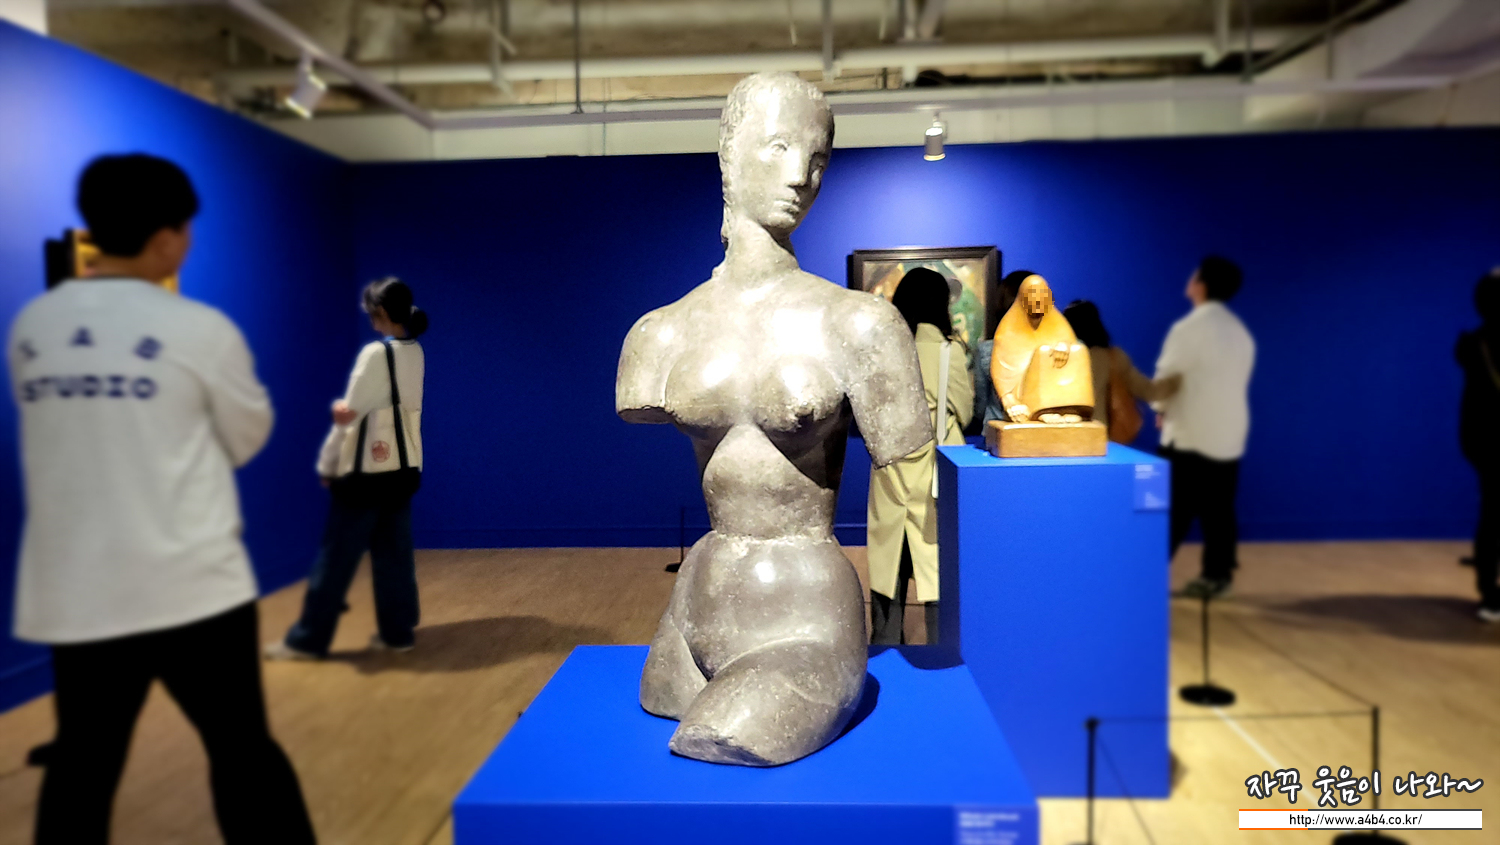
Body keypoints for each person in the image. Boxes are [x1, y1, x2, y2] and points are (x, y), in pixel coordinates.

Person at [8, 154, 315, 844]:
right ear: (167, 238)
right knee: (243, 755)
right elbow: (246, 436)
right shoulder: (200, 328)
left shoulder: (34, 325)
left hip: (78, 592)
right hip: (193, 589)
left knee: (82, 766)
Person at [267, 279, 428, 660]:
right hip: (403, 470)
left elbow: (348, 417)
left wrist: (327, 464)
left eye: (372, 312)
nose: (370, 319)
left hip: (365, 475)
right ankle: (398, 633)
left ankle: (308, 640)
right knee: (395, 554)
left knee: (336, 558)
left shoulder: (375, 354)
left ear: (382, 312)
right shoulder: (415, 351)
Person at [867, 268, 974, 644]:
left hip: (891, 468)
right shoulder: (949, 352)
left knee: (887, 566)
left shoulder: (881, 352)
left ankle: (884, 650)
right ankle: (941, 652)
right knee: (936, 568)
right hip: (935, 471)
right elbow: (964, 410)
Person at [1153, 256, 1256, 599]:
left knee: (1172, 510)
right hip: (1229, 434)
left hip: (1190, 433)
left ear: (1202, 284)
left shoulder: (1188, 330)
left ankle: (1144, 577)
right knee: (1219, 510)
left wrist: (1160, 409)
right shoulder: (1240, 333)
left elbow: (1168, 378)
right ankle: (1218, 575)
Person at [1062, 299, 1180, 442]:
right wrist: (1179, 379)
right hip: (1101, 441)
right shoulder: (1113, 358)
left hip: (1062, 439)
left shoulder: (1056, 359)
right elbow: (1149, 390)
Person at [1455, 268, 1500, 623]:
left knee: (1493, 513)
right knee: (1494, 514)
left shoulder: (1472, 343)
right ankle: (1489, 592)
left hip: (1483, 441)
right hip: (1490, 441)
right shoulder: (1476, 345)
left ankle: (1489, 591)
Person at [973, 269, 1034, 428]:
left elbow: (981, 406)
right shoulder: (1055, 348)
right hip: (1042, 429)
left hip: (998, 428)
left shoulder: (987, 350)